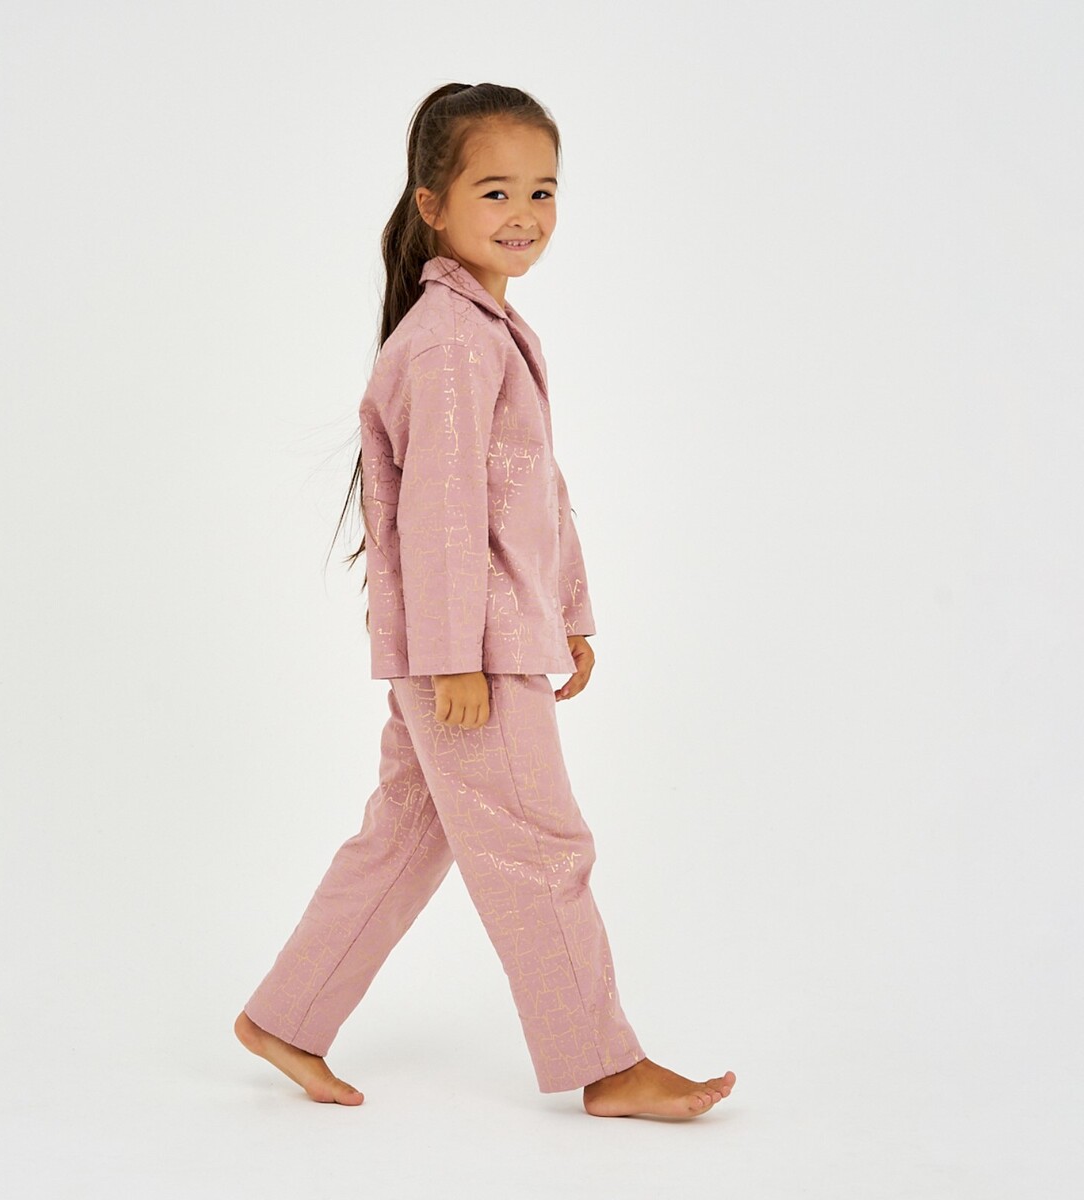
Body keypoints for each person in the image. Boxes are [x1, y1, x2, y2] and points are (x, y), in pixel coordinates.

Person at [234, 81, 736, 1119]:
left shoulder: (487, 330)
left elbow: (534, 490)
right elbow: (444, 513)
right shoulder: (452, 342)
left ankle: (286, 1016)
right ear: (433, 206)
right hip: (471, 658)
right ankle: (607, 1067)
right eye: (495, 191)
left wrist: (572, 613)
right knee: (542, 849)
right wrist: (455, 656)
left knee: (406, 835)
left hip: (497, 639)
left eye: (543, 191)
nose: (524, 215)